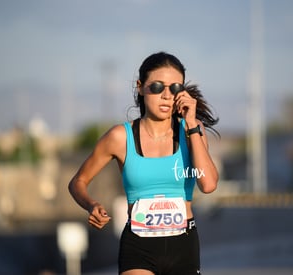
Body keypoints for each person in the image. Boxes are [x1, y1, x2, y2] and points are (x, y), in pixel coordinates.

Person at [68, 51, 219, 275]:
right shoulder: (120, 137)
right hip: (138, 246)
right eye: (158, 87)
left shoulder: (192, 131)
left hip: (183, 244)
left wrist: (191, 124)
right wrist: (91, 205)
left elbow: (208, 185)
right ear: (140, 87)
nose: (167, 95)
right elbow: (78, 181)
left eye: (175, 88)